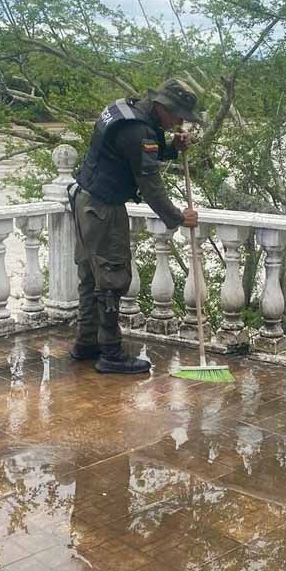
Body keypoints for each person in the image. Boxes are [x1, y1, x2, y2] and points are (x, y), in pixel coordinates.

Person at [70, 78, 201, 374]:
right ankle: (111, 353)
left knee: (90, 276)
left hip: (85, 200)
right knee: (112, 276)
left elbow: (132, 154)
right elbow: (150, 185)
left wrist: (169, 148)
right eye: (178, 115)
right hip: (104, 209)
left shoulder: (126, 110)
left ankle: (86, 343)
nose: (180, 122)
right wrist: (179, 217)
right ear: (162, 106)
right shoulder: (139, 130)